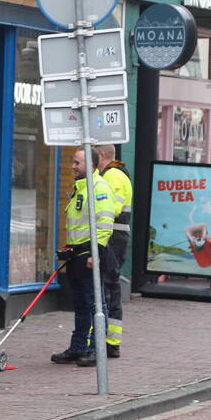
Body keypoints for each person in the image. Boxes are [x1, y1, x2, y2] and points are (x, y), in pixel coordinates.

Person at [51, 147, 117, 367]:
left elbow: (104, 224)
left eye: (77, 163)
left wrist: (95, 253)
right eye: (73, 162)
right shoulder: (81, 188)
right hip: (77, 254)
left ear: (91, 165)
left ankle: (96, 350)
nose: (72, 166)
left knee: (95, 304)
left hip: (90, 254)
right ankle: (78, 347)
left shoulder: (99, 188)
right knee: (80, 304)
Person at [93, 143, 132, 361]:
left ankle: (109, 342)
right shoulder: (114, 174)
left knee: (108, 288)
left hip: (112, 239)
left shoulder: (113, 176)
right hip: (115, 238)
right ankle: (109, 340)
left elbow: (111, 209)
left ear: (103, 155)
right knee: (109, 288)